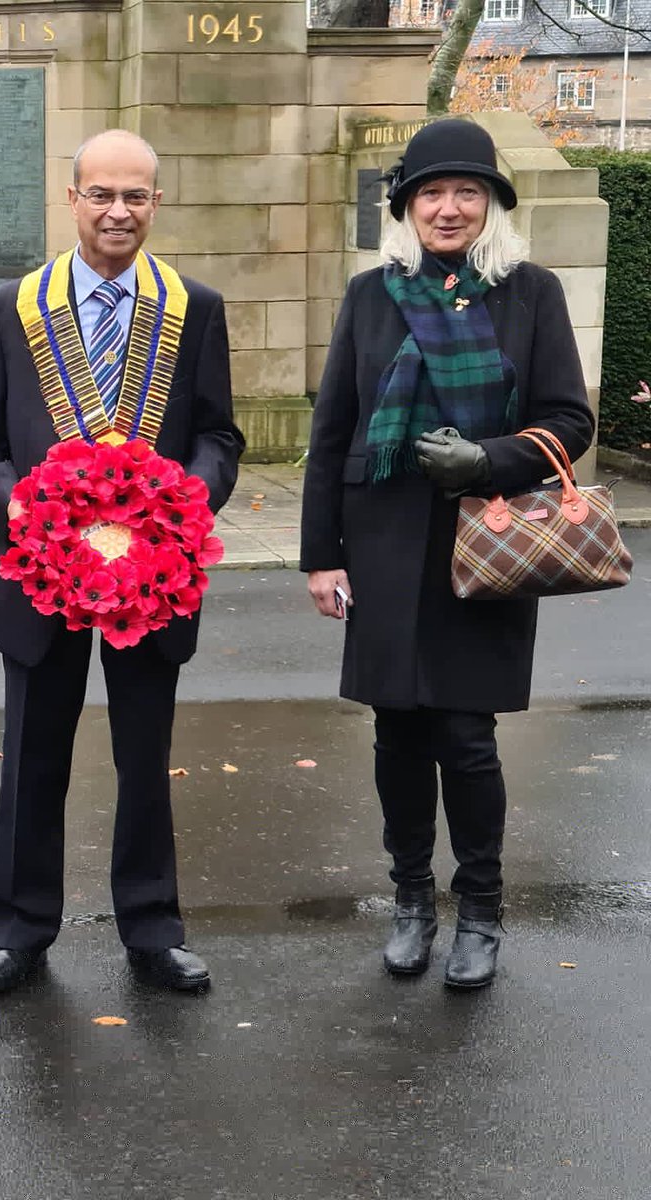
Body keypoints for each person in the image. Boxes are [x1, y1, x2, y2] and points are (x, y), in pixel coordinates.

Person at [300, 118, 595, 989]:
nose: (449, 207)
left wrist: (489, 459)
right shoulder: (370, 295)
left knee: (466, 738)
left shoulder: (529, 293)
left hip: (490, 540)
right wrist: (323, 555)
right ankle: (410, 902)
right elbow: (334, 431)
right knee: (397, 732)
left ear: (494, 204)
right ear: (407, 205)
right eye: (432, 192)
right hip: (386, 540)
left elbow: (569, 420)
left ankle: (481, 913)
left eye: (469, 191)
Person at [0, 129, 245, 995]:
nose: (119, 211)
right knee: (33, 753)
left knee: (144, 757)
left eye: (136, 196)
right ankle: (19, 929)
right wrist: (32, 518)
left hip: (155, 581)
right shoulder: (12, 309)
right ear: (73, 199)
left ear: (157, 202)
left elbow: (219, 437)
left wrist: (182, 509)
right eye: (102, 195)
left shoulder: (197, 307)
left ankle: (152, 928)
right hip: (40, 578)